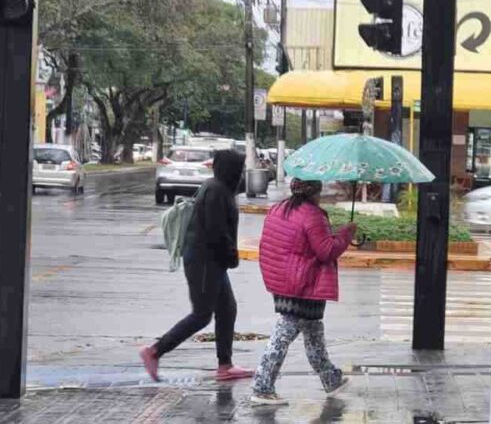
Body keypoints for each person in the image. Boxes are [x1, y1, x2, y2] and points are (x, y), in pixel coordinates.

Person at [140, 149, 253, 382]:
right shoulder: (216, 191)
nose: (241, 174)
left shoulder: (220, 188)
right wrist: (231, 255)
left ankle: (225, 365)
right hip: (204, 261)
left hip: (213, 261)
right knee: (202, 314)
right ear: (229, 169)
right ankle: (154, 351)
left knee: (227, 309)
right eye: (239, 169)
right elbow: (216, 232)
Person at [250, 179, 357, 405]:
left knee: (313, 330)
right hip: (303, 284)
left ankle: (330, 378)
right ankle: (262, 386)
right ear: (315, 192)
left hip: (285, 281)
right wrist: (346, 233)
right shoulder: (313, 215)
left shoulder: (280, 208)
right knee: (284, 334)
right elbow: (326, 251)